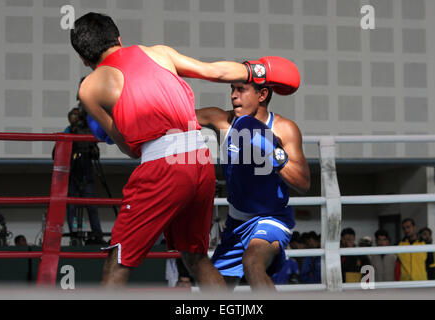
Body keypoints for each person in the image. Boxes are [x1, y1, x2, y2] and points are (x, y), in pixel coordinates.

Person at [70, 12, 298, 289]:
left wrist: (109, 128)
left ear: (83, 58)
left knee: (118, 259)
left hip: (163, 165)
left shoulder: (89, 88)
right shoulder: (159, 53)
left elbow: (129, 147)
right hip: (199, 159)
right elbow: (214, 72)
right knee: (196, 258)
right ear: (118, 38)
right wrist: (258, 71)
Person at [195, 77, 309, 290]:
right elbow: (177, 117)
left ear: (262, 95)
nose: (233, 95)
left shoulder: (284, 129)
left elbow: (303, 182)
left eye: (241, 90)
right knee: (215, 288)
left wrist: (272, 150)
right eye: (232, 89)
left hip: (271, 218)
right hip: (236, 222)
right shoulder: (222, 121)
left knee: (252, 263)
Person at [62, 106, 105, 245]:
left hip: (86, 171)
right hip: (73, 171)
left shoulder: (89, 131)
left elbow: (96, 153)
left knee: (91, 205)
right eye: (73, 115)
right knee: (72, 206)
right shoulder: (69, 130)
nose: (76, 118)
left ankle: (97, 234)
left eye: (78, 115)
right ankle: (74, 233)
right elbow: (58, 151)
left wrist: (92, 147)